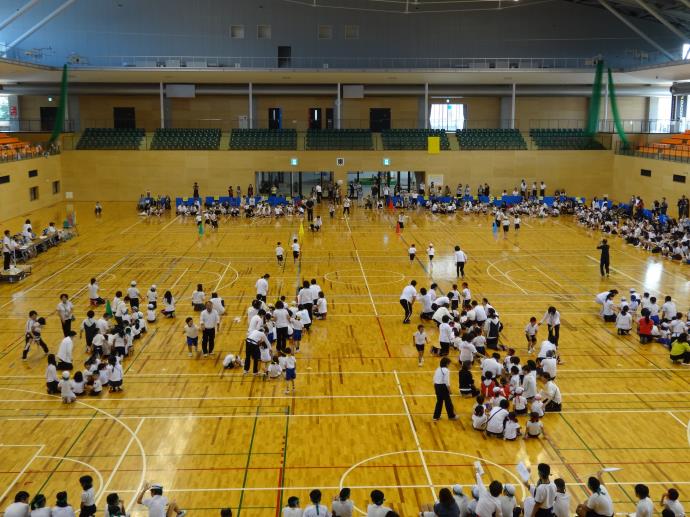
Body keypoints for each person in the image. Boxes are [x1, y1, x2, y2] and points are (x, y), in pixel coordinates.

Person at [433, 357, 458, 421]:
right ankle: (451, 416)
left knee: (439, 401)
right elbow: (447, 382)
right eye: (449, 364)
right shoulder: (446, 370)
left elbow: (434, 379)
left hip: (436, 386)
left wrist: (435, 387)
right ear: (446, 364)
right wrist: (449, 390)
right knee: (448, 402)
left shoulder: (438, 369)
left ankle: (436, 416)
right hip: (442, 387)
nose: (449, 365)